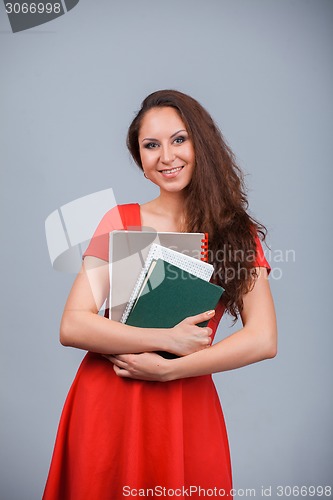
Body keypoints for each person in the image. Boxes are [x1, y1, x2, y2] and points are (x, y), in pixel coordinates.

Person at [43, 89, 277, 499]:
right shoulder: (122, 221)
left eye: (178, 139)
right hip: (108, 400)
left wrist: (170, 368)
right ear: (142, 163)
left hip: (185, 402)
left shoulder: (235, 233)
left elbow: (264, 339)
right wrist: (165, 340)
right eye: (151, 146)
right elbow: (73, 324)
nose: (166, 156)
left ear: (201, 144)